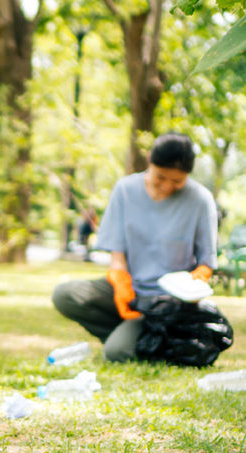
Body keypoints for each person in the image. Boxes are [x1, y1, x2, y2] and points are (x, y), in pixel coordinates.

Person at [51, 133, 217, 362]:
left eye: (177, 181)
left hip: (169, 304)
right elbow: (117, 255)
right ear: (150, 159)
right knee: (65, 295)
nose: (168, 186)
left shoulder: (200, 200)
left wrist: (195, 283)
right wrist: (120, 280)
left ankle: (135, 339)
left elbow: (206, 263)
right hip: (133, 291)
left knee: (116, 353)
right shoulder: (125, 190)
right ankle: (141, 337)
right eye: (161, 177)